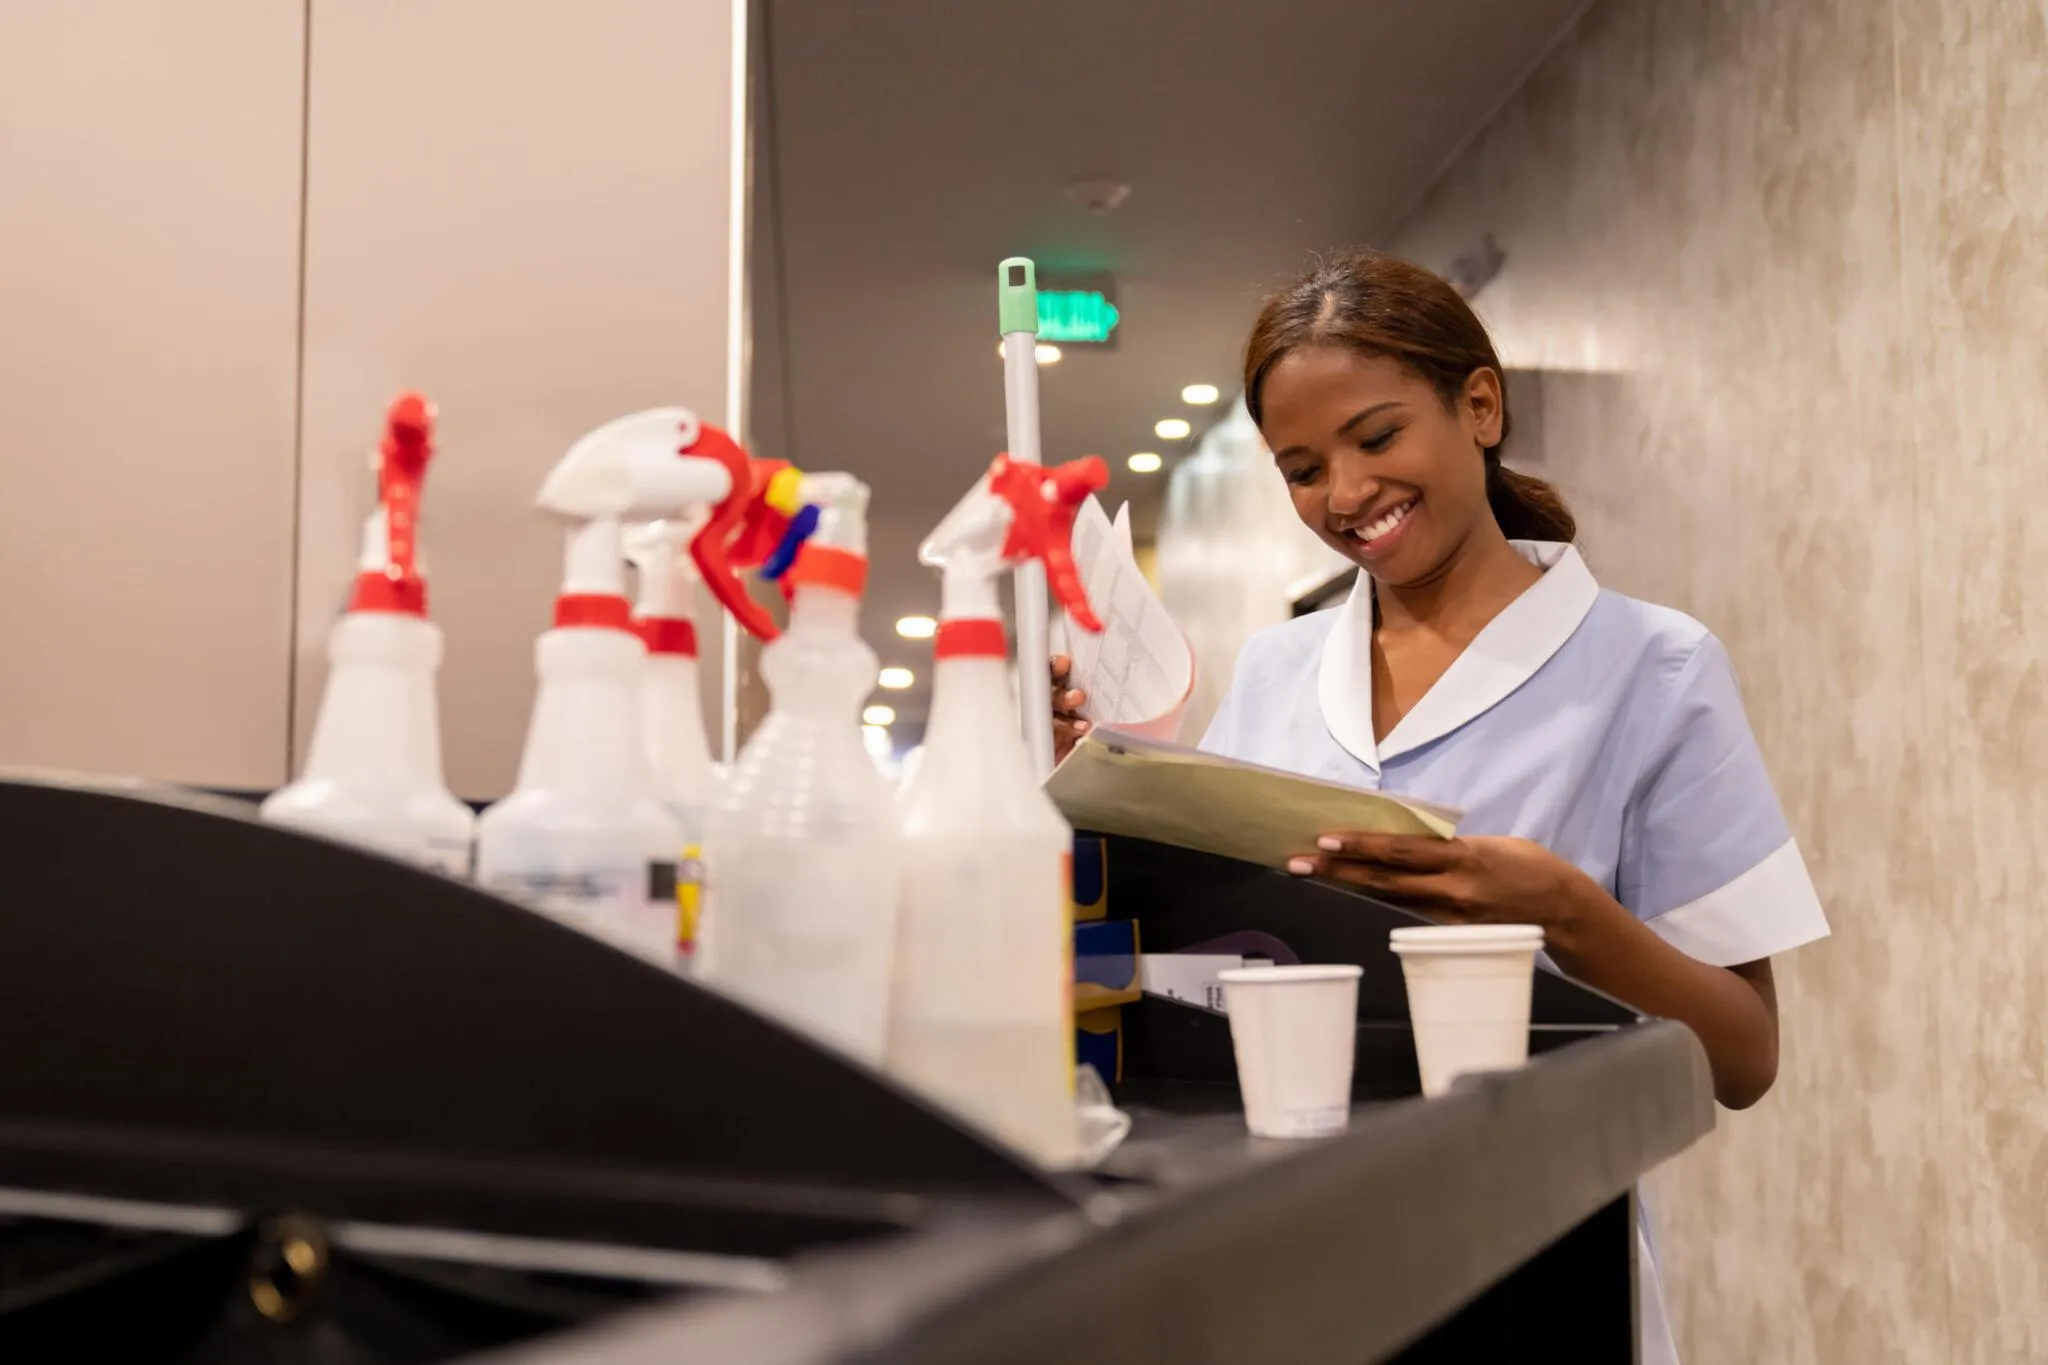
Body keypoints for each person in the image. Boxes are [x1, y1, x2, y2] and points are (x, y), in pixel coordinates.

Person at [1051, 249, 1829, 1364]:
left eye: (1376, 438)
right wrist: (1092, 790)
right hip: (1289, 1257)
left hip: (1541, 1262)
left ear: (1479, 406)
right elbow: (1196, 951)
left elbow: (1744, 1057)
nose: (1344, 494)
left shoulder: (1652, 668)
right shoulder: (1274, 672)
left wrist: (1564, 913)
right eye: (1302, 468)